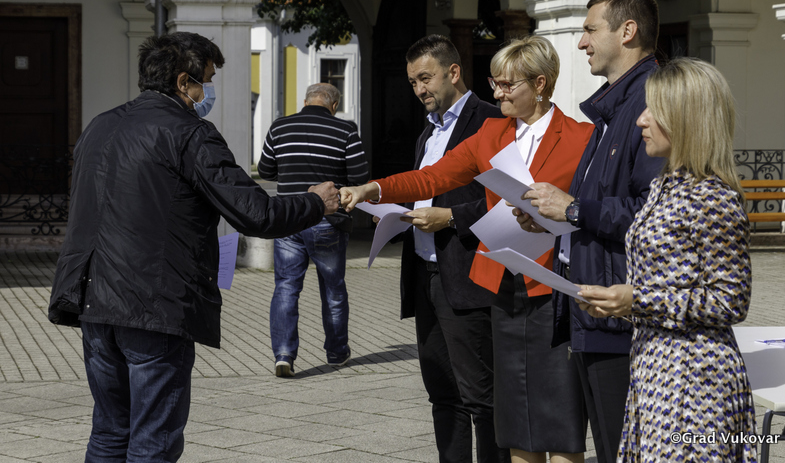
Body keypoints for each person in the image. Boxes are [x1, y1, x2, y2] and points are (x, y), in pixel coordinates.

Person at [48, 32, 339, 462]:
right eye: (208, 81)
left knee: (109, 432)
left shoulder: (99, 125)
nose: (209, 93)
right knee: (153, 441)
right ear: (184, 82)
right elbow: (255, 213)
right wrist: (315, 202)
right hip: (153, 306)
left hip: (93, 299)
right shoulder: (189, 133)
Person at [342, 35, 594, 463]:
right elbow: (433, 177)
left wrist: (563, 213)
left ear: (540, 84)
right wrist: (374, 188)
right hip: (502, 287)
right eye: (495, 83)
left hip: (553, 287)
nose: (497, 94)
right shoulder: (492, 133)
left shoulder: (581, 136)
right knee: (514, 416)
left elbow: (588, 206)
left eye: (507, 85)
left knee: (558, 416)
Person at [577, 57, 759, 462]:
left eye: (652, 111)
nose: (640, 120)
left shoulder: (712, 197)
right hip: (654, 369)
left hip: (694, 382)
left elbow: (730, 300)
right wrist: (619, 302)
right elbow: (665, 281)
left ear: (685, 119)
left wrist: (637, 300)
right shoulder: (665, 186)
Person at [514, 0, 664, 463]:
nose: (581, 42)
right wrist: (551, 220)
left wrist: (574, 210)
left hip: (620, 312)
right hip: (593, 307)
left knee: (624, 449)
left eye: (590, 30)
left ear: (627, 31)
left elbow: (653, 213)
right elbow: (601, 205)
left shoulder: (651, 103)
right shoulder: (611, 108)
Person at [395, 34, 507, 463]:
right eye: (412, 82)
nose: (419, 89)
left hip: (468, 274)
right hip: (425, 272)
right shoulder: (429, 131)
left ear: (453, 72)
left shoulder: (491, 121)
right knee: (442, 392)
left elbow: (510, 199)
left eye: (425, 78)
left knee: (481, 396)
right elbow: (427, 189)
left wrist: (452, 217)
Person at [257, 83, 369, 377]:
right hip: (327, 220)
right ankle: (337, 352)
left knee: (285, 287)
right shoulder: (345, 131)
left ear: (306, 101)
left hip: (288, 218)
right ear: (334, 106)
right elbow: (360, 176)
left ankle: (283, 354)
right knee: (333, 289)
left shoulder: (279, 127)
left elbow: (266, 170)